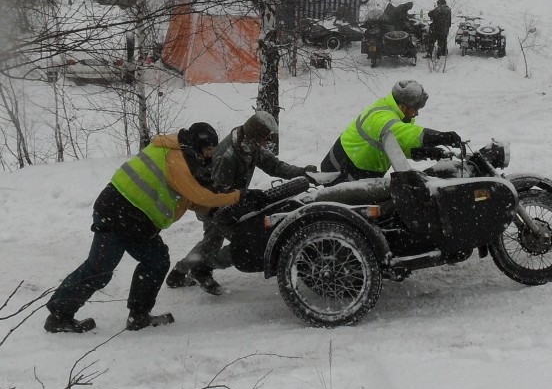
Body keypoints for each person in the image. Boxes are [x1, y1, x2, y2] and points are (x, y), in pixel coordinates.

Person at [44, 123, 266, 333]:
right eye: (208, 148)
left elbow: (189, 199)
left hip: (129, 217)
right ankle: (62, 316)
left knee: (148, 262)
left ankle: (134, 315)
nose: (211, 153)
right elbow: (198, 194)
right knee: (106, 268)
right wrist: (239, 196)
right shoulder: (176, 157)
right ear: (198, 145)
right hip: (121, 214)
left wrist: (221, 211)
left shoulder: (186, 159)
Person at [166, 111, 317, 295]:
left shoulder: (249, 146)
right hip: (214, 206)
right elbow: (217, 192)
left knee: (212, 242)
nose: (266, 143)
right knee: (243, 243)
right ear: (255, 136)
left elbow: (275, 166)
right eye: (264, 138)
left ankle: (182, 271)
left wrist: (302, 172)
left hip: (235, 201)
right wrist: (246, 198)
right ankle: (199, 268)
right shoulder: (227, 156)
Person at [320, 80, 463, 181]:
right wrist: (440, 137)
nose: (416, 114)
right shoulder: (380, 116)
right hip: (342, 170)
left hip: (363, 171)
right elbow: (400, 133)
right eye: (415, 109)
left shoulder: (399, 116)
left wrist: (428, 152)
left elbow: (396, 146)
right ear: (403, 106)